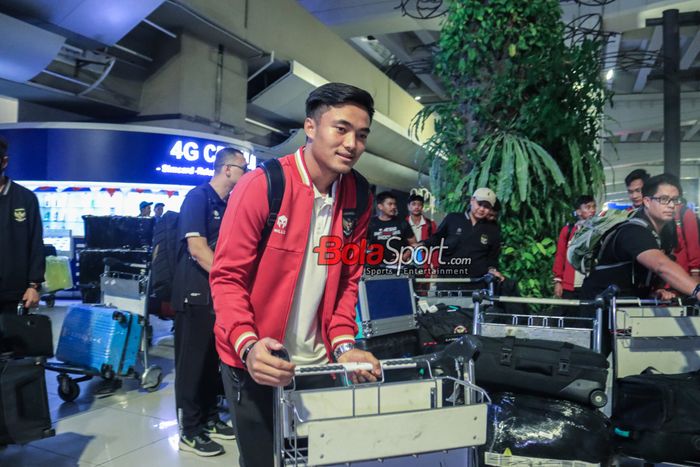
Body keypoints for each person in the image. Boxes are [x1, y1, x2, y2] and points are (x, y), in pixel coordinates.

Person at [210, 82, 381, 467]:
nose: (352, 143)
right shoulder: (263, 185)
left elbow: (348, 280)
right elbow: (227, 278)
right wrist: (248, 345)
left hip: (319, 362)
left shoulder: (359, 196)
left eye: (362, 134)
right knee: (263, 460)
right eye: (341, 129)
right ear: (310, 127)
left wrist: (343, 345)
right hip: (256, 359)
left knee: (314, 457)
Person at [172, 147, 247, 457]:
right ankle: (190, 430)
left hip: (215, 295)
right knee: (191, 365)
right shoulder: (198, 197)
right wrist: (228, 279)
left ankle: (210, 418)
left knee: (210, 363)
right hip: (195, 294)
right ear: (227, 169)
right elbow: (197, 249)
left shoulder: (227, 204)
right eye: (242, 169)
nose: (246, 174)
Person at [581, 173, 700, 307]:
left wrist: (656, 290)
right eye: (664, 199)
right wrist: (697, 290)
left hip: (629, 305)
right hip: (600, 306)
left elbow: (662, 264)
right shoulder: (633, 231)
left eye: (675, 199)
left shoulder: (667, 231)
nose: (671, 205)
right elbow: (661, 266)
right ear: (647, 201)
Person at [422, 187, 503, 290]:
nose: (482, 209)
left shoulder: (493, 229)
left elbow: (492, 258)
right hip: (447, 282)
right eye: (479, 204)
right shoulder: (453, 219)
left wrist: (492, 270)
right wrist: (421, 244)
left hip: (476, 285)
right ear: (472, 201)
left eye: (486, 207)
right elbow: (437, 238)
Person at [0, 137, 44, 313]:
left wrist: (34, 285)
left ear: (4, 162)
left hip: (14, 293)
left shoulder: (25, 198)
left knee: (12, 340)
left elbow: (36, 243)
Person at [553, 195, 597, 299]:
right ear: (578, 212)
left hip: (591, 283)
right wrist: (558, 281)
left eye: (594, 207)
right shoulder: (568, 231)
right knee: (571, 313)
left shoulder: (598, 230)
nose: (592, 210)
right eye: (588, 207)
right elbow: (560, 256)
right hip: (570, 285)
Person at [366, 191, 417, 272]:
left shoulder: (402, 222)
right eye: (390, 204)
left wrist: (404, 256)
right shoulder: (371, 224)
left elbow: (414, 243)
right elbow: (364, 245)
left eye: (394, 204)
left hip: (400, 268)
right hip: (377, 269)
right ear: (380, 206)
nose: (393, 207)